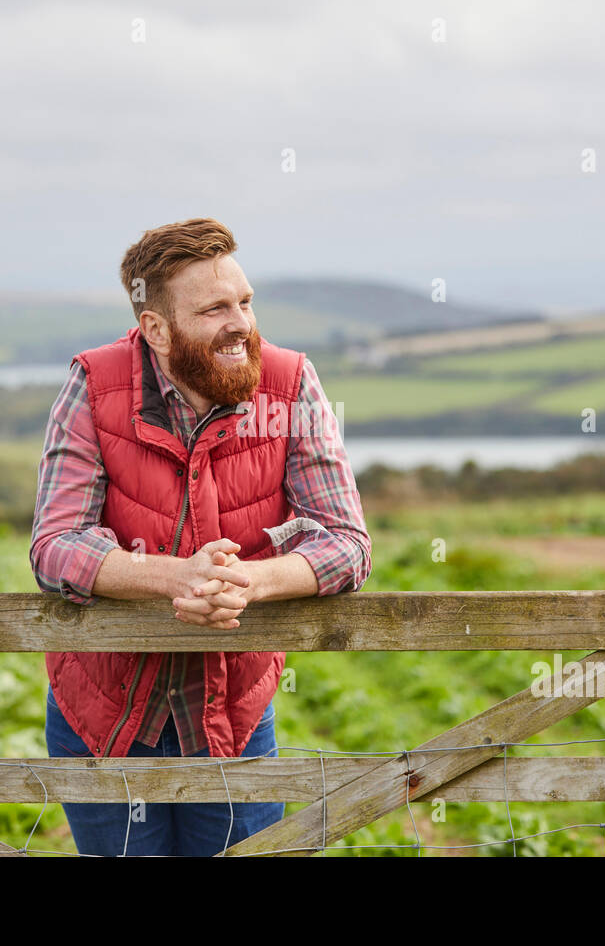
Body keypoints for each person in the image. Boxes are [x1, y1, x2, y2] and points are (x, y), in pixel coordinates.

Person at [30, 217, 372, 856]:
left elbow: (346, 541)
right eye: (215, 308)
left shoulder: (290, 382)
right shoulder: (94, 384)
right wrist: (175, 576)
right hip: (103, 713)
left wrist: (246, 582)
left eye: (244, 301)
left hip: (233, 715)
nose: (240, 321)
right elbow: (55, 546)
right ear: (156, 328)